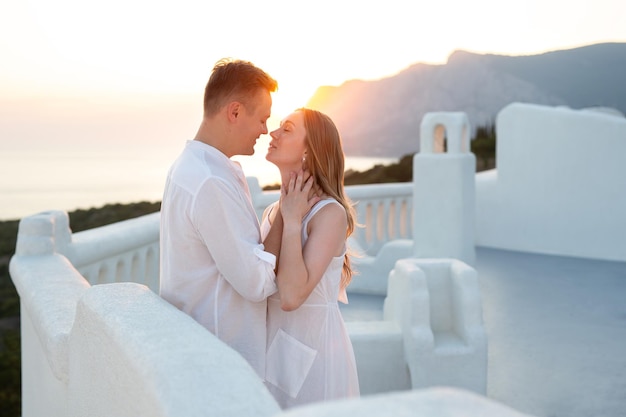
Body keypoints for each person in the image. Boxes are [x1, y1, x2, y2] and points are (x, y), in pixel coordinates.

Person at [159, 58, 288, 379]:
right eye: (262, 119)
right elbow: (256, 284)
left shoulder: (191, 167)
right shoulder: (209, 181)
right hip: (221, 361)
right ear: (234, 112)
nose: (264, 130)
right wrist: (288, 211)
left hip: (205, 353)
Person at [260, 108, 360, 408]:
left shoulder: (330, 213)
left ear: (308, 150)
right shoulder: (273, 210)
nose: (272, 134)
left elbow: (290, 296)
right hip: (272, 350)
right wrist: (284, 210)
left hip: (314, 353)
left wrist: (292, 221)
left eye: (287, 129)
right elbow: (261, 278)